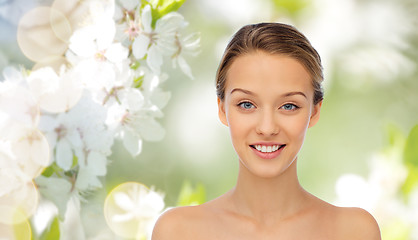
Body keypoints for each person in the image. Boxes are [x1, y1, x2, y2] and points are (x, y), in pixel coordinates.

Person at [152, 22, 381, 239]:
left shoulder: (355, 231)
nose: (267, 128)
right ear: (222, 109)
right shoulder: (178, 232)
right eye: (247, 105)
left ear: (314, 111)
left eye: (289, 106)